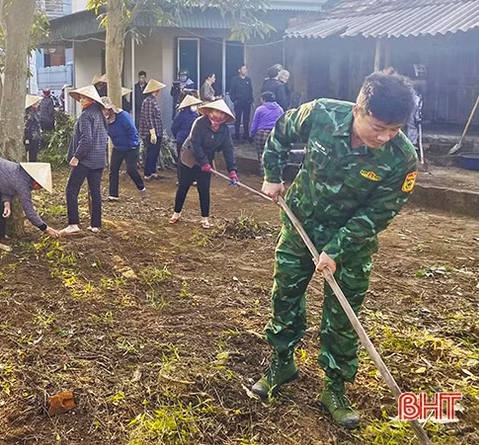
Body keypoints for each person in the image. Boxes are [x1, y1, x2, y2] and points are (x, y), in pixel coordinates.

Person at [251, 71, 419, 430]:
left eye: (394, 128)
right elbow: (281, 132)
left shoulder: (402, 158)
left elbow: (378, 214)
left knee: (343, 317)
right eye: (378, 126)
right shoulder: (322, 114)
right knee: (285, 295)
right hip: (301, 225)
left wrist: (337, 249)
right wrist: (272, 174)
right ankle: (283, 361)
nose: (385, 136)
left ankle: (335, 386)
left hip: (352, 245)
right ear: (359, 109)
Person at [170, 99, 239, 229]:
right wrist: (204, 162)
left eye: (221, 114)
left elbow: (228, 149)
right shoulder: (200, 123)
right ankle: (176, 213)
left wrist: (232, 170)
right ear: (210, 112)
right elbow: (195, 144)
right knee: (183, 186)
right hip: (189, 156)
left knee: (204, 188)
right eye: (216, 112)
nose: (218, 116)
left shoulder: (224, 130)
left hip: (206, 159)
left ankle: (205, 218)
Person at [61, 85, 108, 235]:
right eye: (80, 97)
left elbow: (86, 140)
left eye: (83, 97)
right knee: (95, 192)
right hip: (99, 159)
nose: (80, 100)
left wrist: (76, 157)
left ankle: (73, 223)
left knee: (71, 190)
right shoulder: (100, 114)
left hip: (85, 160)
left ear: (90, 99)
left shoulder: (86, 115)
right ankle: (96, 224)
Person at [101, 96, 147, 201]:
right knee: (113, 170)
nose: (105, 112)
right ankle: (113, 195)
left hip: (131, 146)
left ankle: (142, 188)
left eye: (106, 109)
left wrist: (133, 144)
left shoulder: (123, 116)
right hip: (118, 147)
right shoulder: (104, 120)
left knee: (131, 169)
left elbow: (132, 131)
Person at [249, 91, 284, 174]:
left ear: (263, 99)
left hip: (261, 134)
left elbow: (255, 123)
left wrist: (251, 134)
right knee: (274, 154)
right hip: (274, 133)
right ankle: (274, 174)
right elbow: (283, 122)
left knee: (261, 154)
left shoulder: (260, 109)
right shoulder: (280, 109)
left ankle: (264, 173)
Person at [139, 79, 166, 179]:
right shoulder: (148, 101)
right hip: (151, 131)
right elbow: (148, 117)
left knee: (155, 152)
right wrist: (152, 132)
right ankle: (148, 173)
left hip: (157, 130)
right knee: (151, 152)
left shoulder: (153, 100)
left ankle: (153, 171)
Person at [171, 93, 202, 158]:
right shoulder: (180, 115)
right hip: (183, 140)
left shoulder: (196, 115)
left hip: (191, 141)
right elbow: (174, 128)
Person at [229, 64, 254, 141]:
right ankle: (237, 135)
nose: (245, 71)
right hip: (238, 102)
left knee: (246, 119)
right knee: (238, 119)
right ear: (239, 70)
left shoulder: (248, 80)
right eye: (243, 69)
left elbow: (250, 91)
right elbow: (231, 92)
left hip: (247, 102)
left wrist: (252, 100)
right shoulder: (234, 80)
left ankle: (246, 135)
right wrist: (234, 100)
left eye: (246, 69)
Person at [24, 94, 43, 162]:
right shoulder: (30, 114)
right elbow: (27, 127)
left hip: (35, 137)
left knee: (33, 155)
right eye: (35, 104)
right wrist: (27, 139)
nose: (37, 105)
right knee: (32, 156)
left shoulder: (34, 113)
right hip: (32, 138)